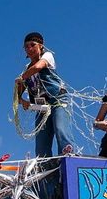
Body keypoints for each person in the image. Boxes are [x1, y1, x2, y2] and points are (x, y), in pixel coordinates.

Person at [14, 31, 72, 159]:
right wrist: (22, 101)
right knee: (41, 142)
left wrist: (22, 77)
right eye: (26, 47)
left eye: (32, 45)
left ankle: (68, 156)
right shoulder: (27, 69)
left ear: (41, 45)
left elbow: (38, 67)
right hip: (41, 107)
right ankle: (45, 168)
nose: (29, 49)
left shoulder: (47, 56)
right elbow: (18, 93)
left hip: (57, 99)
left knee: (60, 128)